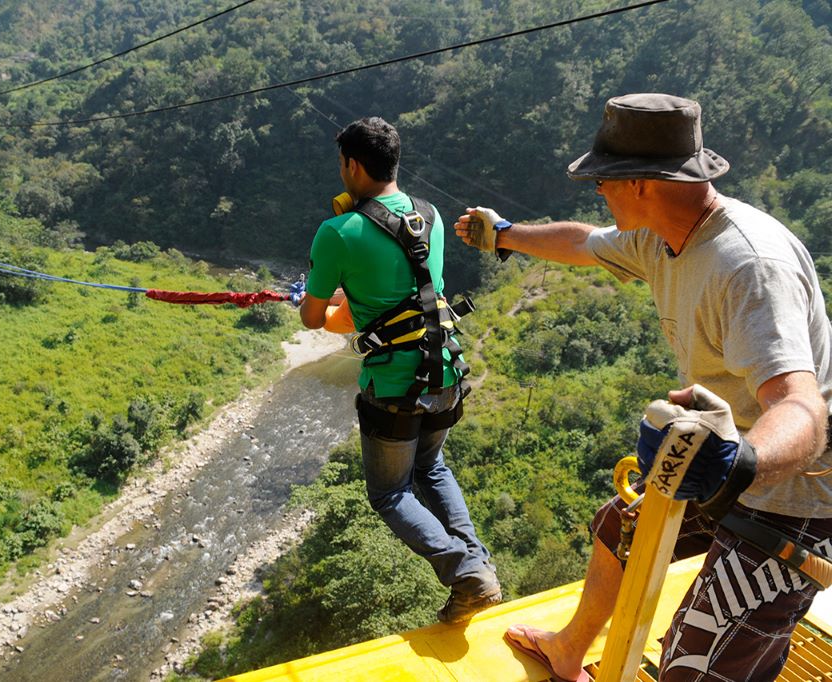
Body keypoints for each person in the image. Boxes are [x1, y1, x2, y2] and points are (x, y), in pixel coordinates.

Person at [455, 93, 832, 681]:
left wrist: (737, 463)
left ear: (642, 183)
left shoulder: (749, 267)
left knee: (693, 658)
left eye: (605, 180)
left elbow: (800, 406)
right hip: (726, 455)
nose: (599, 190)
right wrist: (504, 235)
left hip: (798, 495)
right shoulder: (663, 235)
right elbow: (582, 243)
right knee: (620, 527)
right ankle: (569, 650)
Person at [299, 116, 501, 624]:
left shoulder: (338, 231)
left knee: (390, 493)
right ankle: (478, 569)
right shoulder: (428, 217)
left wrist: (329, 300)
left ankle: (463, 570)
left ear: (351, 164)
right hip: (445, 372)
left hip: (394, 385)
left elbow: (312, 315)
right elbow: (409, 293)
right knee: (431, 469)